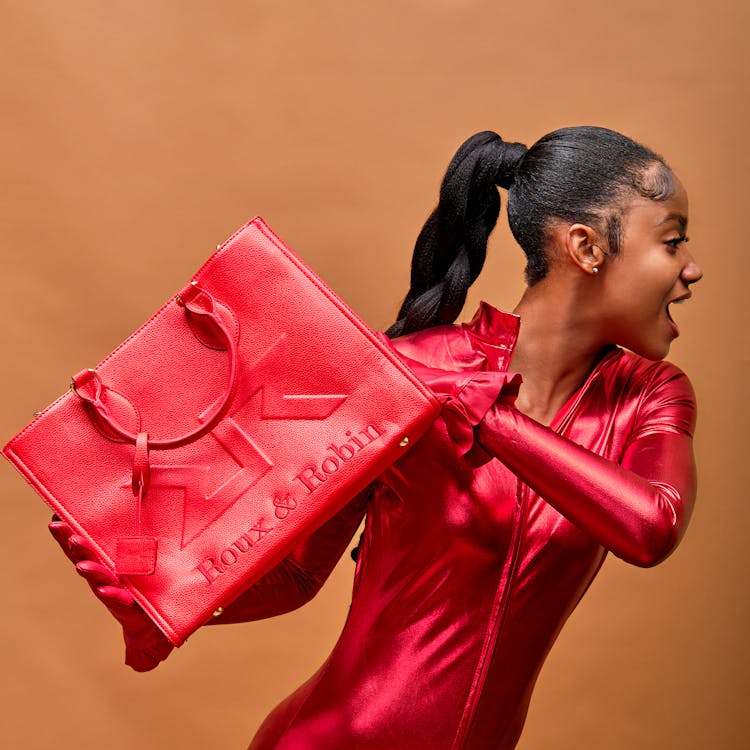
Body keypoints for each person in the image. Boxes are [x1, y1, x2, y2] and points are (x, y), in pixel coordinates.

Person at [50, 126, 702, 749]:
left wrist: (490, 417)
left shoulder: (649, 396)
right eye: (671, 243)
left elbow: (650, 526)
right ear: (587, 248)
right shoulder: (420, 370)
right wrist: (159, 604)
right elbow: (301, 574)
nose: (691, 269)